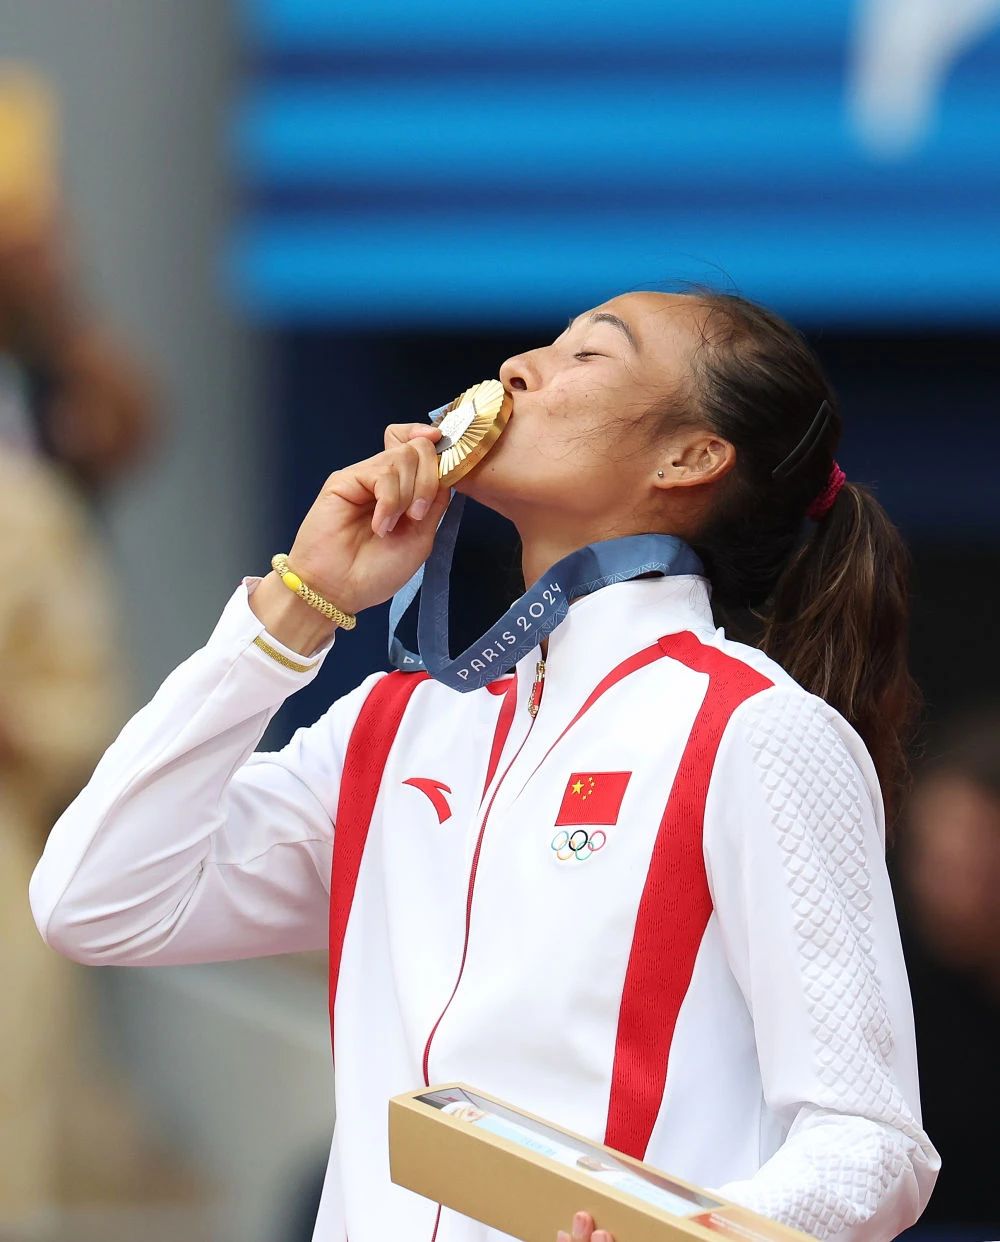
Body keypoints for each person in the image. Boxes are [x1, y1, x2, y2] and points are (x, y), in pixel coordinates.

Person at [29, 290, 939, 1241]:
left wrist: (675, 1236)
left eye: (590, 354)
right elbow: (93, 901)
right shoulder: (396, 726)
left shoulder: (752, 728)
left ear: (689, 459)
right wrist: (300, 603)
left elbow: (871, 1142)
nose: (516, 369)